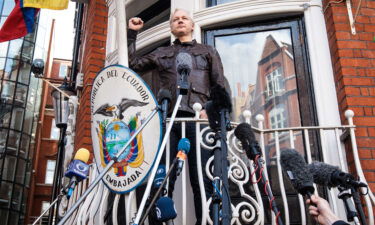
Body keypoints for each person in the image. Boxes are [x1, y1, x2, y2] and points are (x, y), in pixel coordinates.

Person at [127, 8, 227, 225]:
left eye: (184, 18)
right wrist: (132, 34)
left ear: (192, 25)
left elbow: (220, 84)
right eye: (175, 19)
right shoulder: (162, 53)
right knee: (162, 179)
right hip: (168, 121)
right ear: (171, 27)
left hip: (197, 121)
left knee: (202, 179)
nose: (180, 21)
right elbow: (133, 65)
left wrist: (210, 111)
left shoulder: (207, 51)